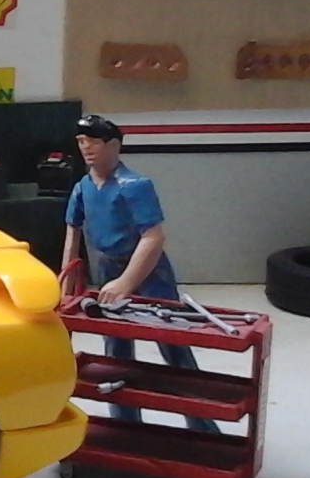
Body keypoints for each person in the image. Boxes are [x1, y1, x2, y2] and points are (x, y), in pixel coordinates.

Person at [62, 114, 217, 433]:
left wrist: (127, 282)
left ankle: (202, 427)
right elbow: (72, 233)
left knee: (173, 344)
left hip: (149, 270)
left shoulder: (134, 186)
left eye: (94, 142)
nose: (86, 148)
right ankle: (126, 426)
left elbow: (153, 237)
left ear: (114, 146)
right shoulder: (82, 187)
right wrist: (65, 283)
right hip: (108, 267)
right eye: (81, 142)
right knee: (116, 350)